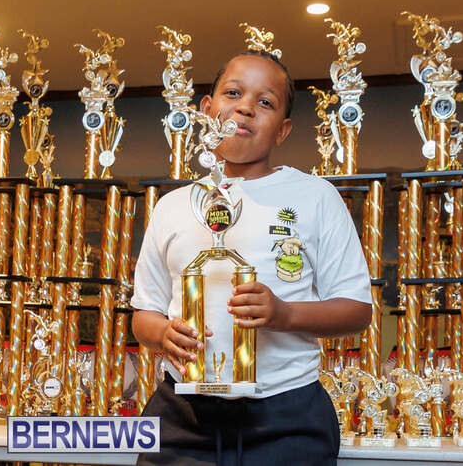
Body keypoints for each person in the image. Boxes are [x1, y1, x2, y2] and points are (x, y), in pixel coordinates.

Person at [130, 50, 372, 465]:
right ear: (207, 109)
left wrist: (284, 314)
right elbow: (144, 313)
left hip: (287, 417)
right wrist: (163, 334)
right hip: (182, 417)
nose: (245, 107)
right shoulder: (173, 206)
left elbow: (357, 310)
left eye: (265, 102)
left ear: (283, 130)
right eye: (233, 93)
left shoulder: (315, 197)